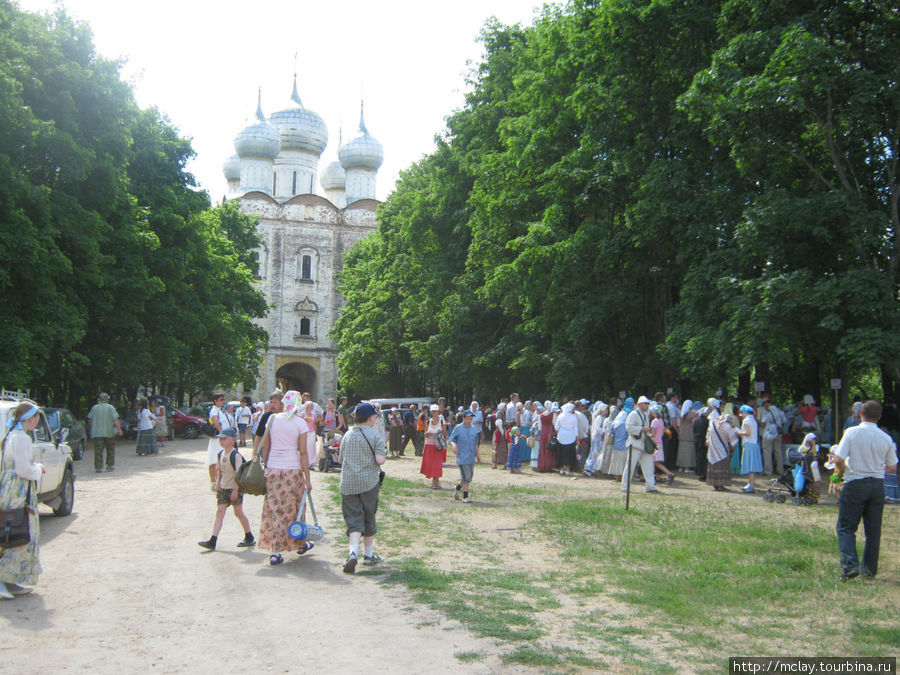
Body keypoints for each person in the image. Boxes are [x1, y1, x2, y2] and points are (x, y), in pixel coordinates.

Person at [831, 400, 898, 581]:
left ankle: (850, 564)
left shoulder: (852, 432)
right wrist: (877, 468)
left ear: (861, 413)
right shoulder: (886, 438)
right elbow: (892, 466)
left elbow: (838, 459)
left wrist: (842, 470)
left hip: (855, 482)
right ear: (879, 416)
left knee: (845, 527)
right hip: (877, 485)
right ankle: (869, 570)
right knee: (873, 530)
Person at [258, 391, 313, 565]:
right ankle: (300, 543)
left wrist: (266, 465)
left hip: (274, 469)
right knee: (295, 508)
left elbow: (266, 446)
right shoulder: (300, 423)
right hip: (293, 470)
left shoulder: (272, 419)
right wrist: (308, 478)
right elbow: (302, 452)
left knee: (275, 509)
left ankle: (275, 551)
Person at [0, 402, 45, 598]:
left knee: (11, 531)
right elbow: (23, 470)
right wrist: (39, 468)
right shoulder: (21, 438)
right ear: (30, 419)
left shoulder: (11, 435)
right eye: (37, 418)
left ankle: (11, 580)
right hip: (19, 492)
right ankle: (3, 579)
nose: (37, 422)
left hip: (10, 488)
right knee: (19, 532)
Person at [338, 402, 387, 573]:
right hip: (368, 483)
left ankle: (353, 553)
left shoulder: (347, 435)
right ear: (371, 417)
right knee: (368, 516)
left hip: (348, 483)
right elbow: (380, 460)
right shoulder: (375, 437)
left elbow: (340, 458)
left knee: (353, 518)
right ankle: (368, 555)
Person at [197, 428, 255, 550]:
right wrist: (218, 483)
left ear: (233, 440)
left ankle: (249, 536)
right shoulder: (220, 454)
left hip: (234, 488)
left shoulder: (236, 455)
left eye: (224, 438)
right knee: (220, 512)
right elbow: (219, 470)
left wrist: (235, 490)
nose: (221, 441)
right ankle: (213, 540)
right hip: (224, 488)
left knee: (238, 512)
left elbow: (239, 475)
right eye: (221, 439)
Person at [623, 396, 659, 493]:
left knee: (649, 466)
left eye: (648, 404)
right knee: (630, 466)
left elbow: (646, 429)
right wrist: (641, 429)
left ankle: (650, 486)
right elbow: (628, 428)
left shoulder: (645, 415)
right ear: (639, 404)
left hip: (644, 444)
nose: (647, 405)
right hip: (635, 444)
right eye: (645, 403)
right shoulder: (633, 414)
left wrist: (650, 432)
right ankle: (625, 487)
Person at [86, 393, 123, 473]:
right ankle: (109, 465)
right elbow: (115, 419)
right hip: (109, 432)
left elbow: (90, 420)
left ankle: (98, 467)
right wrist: (119, 430)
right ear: (107, 400)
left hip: (97, 433)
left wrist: (91, 429)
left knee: (98, 450)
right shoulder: (111, 407)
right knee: (110, 449)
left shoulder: (94, 408)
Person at [450, 410, 481, 502]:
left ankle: (457, 488)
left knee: (468, 477)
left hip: (471, 457)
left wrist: (478, 454)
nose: (469, 420)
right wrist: (454, 445)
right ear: (463, 418)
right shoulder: (458, 428)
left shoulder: (473, 428)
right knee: (466, 477)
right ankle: (465, 497)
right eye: (467, 419)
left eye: (471, 419)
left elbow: (476, 443)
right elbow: (452, 439)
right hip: (462, 457)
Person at [706, 412, 737, 491]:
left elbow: (708, 437)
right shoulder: (727, 426)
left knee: (713, 466)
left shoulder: (713, 424)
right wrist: (732, 446)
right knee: (722, 466)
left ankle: (714, 484)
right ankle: (721, 484)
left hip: (712, 450)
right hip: (722, 450)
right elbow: (733, 439)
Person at [735, 404, 762, 493]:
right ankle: (750, 484)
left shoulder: (746, 421)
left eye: (742, 412)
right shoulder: (753, 420)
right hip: (754, 444)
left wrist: (738, 431)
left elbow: (747, 432)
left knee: (750, 466)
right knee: (752, 467)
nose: (741, 414)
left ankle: (751, 485)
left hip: (749, 444)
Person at [207, 393, 230, 488]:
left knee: (220, 458)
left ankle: (218, 480)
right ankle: (213, 481)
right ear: (215, 401)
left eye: (223, 400)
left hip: (222, 437)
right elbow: (215, 421)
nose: (223, 401)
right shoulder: (214, 410)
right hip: (218, 438)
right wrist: (221, 432)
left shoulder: (220, 410)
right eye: (221, 400)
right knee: (213, 459)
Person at [420, 404, 446, 488]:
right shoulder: (428, 421)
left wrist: (439, 433)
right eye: (432, 411)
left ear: (438, 411)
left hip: (438, 445)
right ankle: (436, 481)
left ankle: (435, 482)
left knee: (437, 464)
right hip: (429, 444)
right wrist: (428, 433)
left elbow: (444, 434)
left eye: (435, 411)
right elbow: (425, 434)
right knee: (430, 464)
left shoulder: (442, 421)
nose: (434, 412)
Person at [760, 398, 787, 476]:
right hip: (778, 433)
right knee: (778, 452)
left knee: (767, 452)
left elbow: (763, 424)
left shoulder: (767, 412)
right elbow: (785, 421)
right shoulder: (780, 411)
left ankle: (768, 471)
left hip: (768, 434)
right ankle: (780, 470)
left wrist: (758, 421)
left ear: (766, 404)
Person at [650, 405, 676, 485]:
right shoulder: (661, 421)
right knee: (654, 462)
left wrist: (647, 434)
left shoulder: (654, 422)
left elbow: (653, 434)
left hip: (654, 444)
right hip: (659, 443)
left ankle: (669, 474)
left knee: (654, 462)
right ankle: (653, 478)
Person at [252, 391, 283, 456]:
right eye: (271, 402)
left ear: (281, 404)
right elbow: (259, 436)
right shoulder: (266, 416)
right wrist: (254, 454)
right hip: (269, 453)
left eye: (275, 402)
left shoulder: (286, 418)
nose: (272, 405)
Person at [554, 402, 579, 476]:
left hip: (561, 437)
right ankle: (568, 470)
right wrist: (577, 437)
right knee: (569, 454)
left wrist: (560, 432)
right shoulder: (574, 417)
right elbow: (576, 428)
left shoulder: (560, 416)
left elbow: (556, 427)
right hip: (571, 437)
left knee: (561, 454)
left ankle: (561, 470)